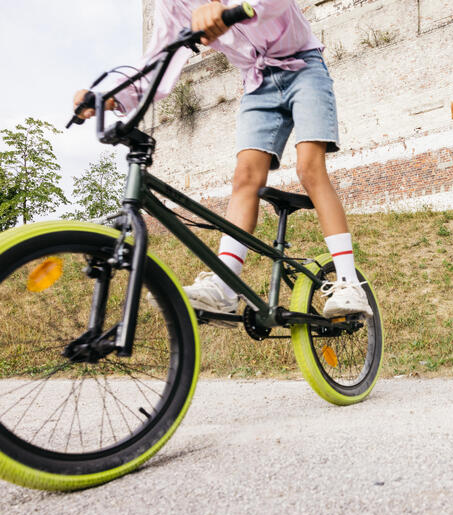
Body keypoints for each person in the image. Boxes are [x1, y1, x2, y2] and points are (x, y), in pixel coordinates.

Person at [73, 0, 371, 318]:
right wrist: (109, 95)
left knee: (309, 168)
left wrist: (225, 8)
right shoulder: (173, 4)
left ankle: (348, 282)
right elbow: (159, 60)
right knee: (245, 177)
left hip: (304, 67)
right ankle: (225, 287)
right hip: (257, 84)